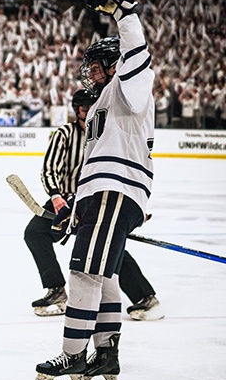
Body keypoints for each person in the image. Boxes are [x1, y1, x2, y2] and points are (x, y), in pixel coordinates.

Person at [35, 0, 155, 380]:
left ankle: (73, 358)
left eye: (98, 65)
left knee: (83, 273)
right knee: (104, 278)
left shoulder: (128, 85)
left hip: (114, 189)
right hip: (104, 192)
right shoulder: (106, 101)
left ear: (114, 64)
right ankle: (105, 362)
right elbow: (95, 161)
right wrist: (76, 206)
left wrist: (125, 13)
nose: (91, 73)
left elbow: (137, 55)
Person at [25, 88, 162, 321]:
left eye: (91, 106)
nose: (87, 111)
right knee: (35, 232)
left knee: (108, 244)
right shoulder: (65, 134)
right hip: (66, 200)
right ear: (77, 110)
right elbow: (50, 169)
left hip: (98, 199)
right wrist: (57, 197)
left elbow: (123, 170)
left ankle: (144, 297)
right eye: (83, 107)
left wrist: (133, 203)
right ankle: (57, 290)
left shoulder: (108, 135)